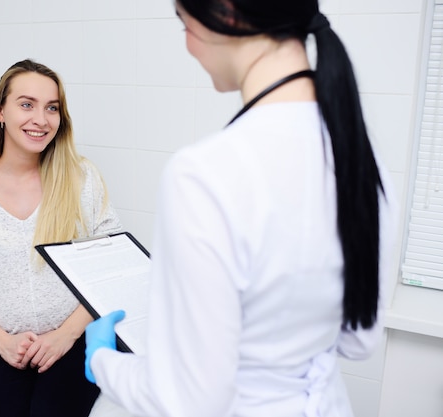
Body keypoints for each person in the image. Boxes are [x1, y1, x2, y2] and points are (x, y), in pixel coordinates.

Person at [84, 1, 398, 416]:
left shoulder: (204, 174)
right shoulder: (364, 163)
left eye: (185, 24)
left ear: (226, 13)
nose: (188, 46)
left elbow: (191, 402)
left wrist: (102, 361)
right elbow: (360, 341)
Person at [0, 58, 122, 417]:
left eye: (52, 107)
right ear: (0, 111)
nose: (41, 119)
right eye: (26, 104)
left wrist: (65, 335)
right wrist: (3, 343)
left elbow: (111, 265)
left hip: (74, 337)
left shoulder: (81, 178)